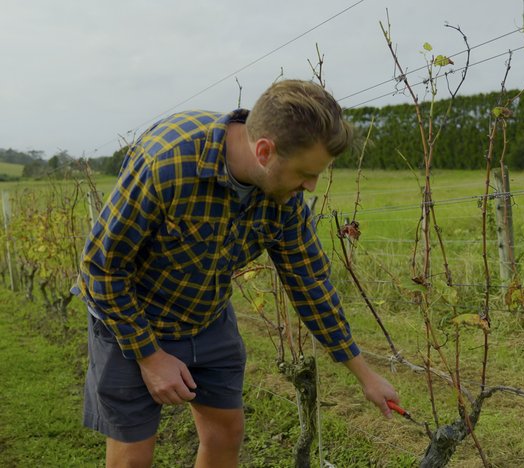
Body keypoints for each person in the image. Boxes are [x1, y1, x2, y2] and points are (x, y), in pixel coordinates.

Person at [72, 79, 399, 467]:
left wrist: (364, 375)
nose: (310, 187)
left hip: (207, 315)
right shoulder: (168, 163)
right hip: (130, 314)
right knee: (133, 458)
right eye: (306, 173)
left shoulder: (284, 198)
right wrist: (149, 356)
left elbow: (309, 283)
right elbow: (102, 269)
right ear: (264, 151)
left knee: (226, 432)